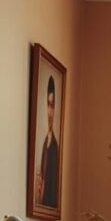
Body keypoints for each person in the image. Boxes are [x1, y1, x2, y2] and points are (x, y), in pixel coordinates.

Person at [36, 75, 60, 209]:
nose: (49, 111)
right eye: (48, 105)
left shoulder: (54, 147)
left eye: (52, 105)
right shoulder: (45, 141)